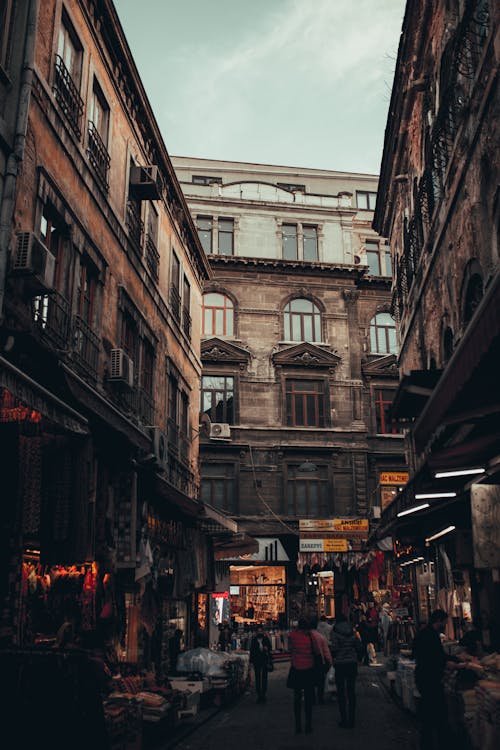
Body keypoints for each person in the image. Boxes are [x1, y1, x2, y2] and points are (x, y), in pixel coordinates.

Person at [412, 609, 457, 750]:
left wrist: (453, 659)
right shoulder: (431, 635)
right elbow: (438, 656)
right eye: (444, 622)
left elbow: (416, 653)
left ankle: (429, 744)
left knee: (429, 716)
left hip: (423, 678)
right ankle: (441, 744)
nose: (445, 625)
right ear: (439, 621)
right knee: (438, 714)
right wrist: (454, 661)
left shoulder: (424, 633)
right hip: (430, 679)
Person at [331, 612, 363, 728]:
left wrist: (334, 656)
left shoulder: (335, 631)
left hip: (340, 663)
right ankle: (352, 719)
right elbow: (359, 646)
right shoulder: (352, 631)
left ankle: (344, 719)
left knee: (341, 692)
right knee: (351, 691)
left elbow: (334, 648)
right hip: (351, 663)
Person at [287, 615, 317, 734]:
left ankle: (298, 725)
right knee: (309, 699)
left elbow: (290, 649)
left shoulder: (292, 636)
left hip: (296, 668)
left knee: (297, 698)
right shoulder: (311, 637)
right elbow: (316, 651)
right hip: (308, 669)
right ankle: (308, 725)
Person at [249, 623, 272, 703]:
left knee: (264, 678)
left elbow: (270, 647)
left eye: (261, 631)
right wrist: (251, 662)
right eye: (258, 631)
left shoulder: (265, 639)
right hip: (257, 661)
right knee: (258, 678)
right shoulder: (254, 640)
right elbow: (252, 651)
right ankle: (259, 694)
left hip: (264, 660)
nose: (260, 632)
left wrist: (266, 648)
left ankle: (263, 694)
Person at [311, 617, 332, 704]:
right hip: (321, 657)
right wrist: (329, 661)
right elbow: (326, 651)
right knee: (321, 679)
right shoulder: (328, 629)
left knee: (311, 679)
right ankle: (320, 697)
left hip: (311, 659)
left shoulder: (310, 635)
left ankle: (311, 697)